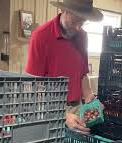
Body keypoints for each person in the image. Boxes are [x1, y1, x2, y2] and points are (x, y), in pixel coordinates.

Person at [25, 0, 103, 135]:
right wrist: (62, 114)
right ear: (63, 11)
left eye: (83, 22)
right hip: (48, 108)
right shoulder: (41, 36)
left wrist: (90, 97)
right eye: (75, 22)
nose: (79, 27)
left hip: (76, 107)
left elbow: (83, 73)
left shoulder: (83, 36)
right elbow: (32, 86)